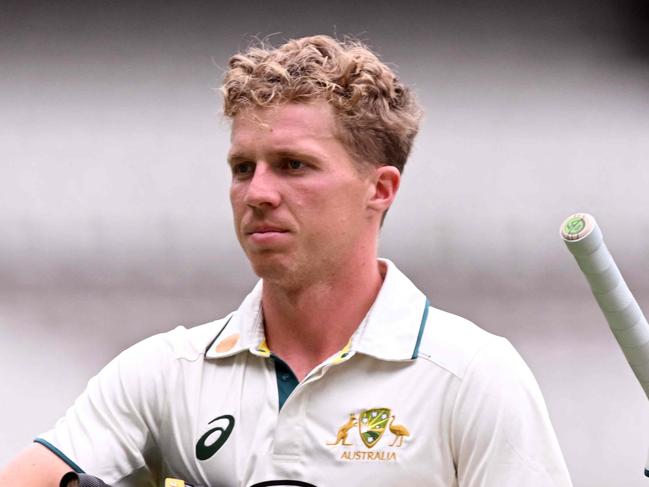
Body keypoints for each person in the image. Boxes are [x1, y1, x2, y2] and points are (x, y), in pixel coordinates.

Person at [0, 35, 573, 487]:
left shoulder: (472, 376)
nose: (257, 193)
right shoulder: (164, 372)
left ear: (381, 189)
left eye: (293, 165)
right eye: (243, 167)